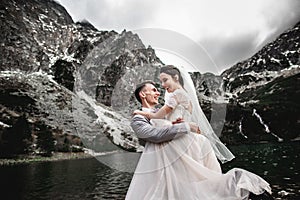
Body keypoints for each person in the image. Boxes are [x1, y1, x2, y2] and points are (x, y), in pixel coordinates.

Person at [126, 65, 272, 200]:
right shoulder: (138, 119)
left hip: (183, 155)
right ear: (143, 94)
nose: (158, 92)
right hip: (167, 164)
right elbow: (154, 135)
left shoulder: (164, 112)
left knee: (202, 184)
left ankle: (242, 189)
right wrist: (186, 127)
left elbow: (166, 127)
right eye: (153, 90)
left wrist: (176, 125)